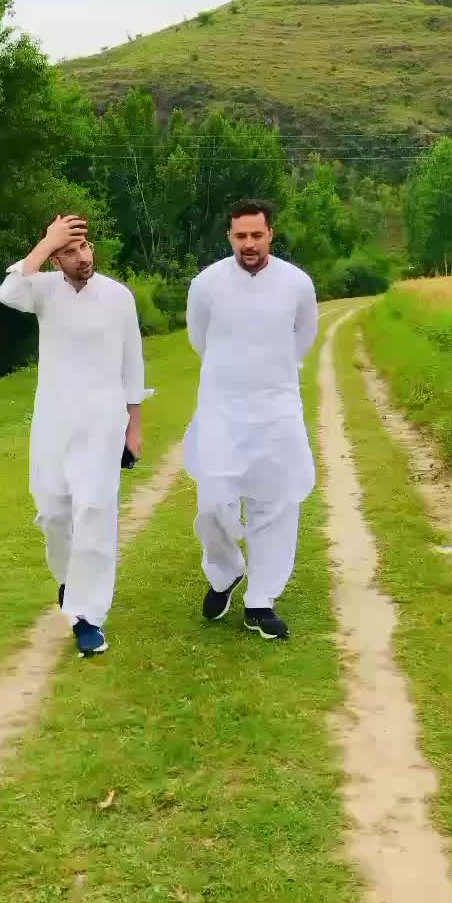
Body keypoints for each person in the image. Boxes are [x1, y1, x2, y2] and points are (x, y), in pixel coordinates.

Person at [0, 214, 145, 657]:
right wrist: (47, 242)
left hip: (104, 421)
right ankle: (68, 580)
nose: (81, 257)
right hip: (54, 421)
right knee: (53, 513)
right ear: (55, 259)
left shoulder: (118, 297)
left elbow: (132, 363)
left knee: (95, 512)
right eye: (69, 251)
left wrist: (134, 426)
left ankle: (88, 616)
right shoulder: (42, 290)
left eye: (84, 247)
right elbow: (7, 292)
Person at [184, 198, 318, 641]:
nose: (249, 244)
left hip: (277, 408)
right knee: (212, 504)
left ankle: (261, 600)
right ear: (229, 237)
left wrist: (268, 376)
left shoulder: (297, 284)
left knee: (275, 504)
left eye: (256, 235)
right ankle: (225, 572)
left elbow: (303, 338)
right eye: (240, 236)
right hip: (221, 408)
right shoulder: (206, 284)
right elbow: (199, 339)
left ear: (270, 234)